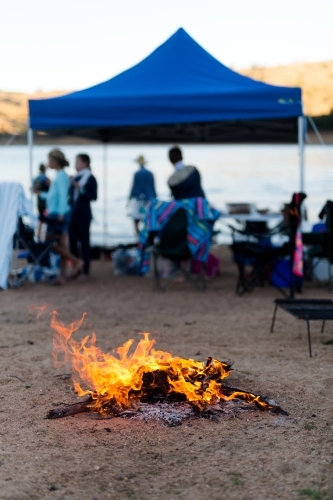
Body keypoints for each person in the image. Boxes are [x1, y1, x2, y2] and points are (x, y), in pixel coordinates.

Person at [33, 149, 84, 285]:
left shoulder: (61, 176)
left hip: (58, 215)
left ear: (54, 161)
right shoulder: (59, 175)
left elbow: (62, 196)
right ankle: (62, 275)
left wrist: (61, 213)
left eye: (49, 159)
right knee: (61, 244)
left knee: (47, 242)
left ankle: (76, 261)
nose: (47, 162)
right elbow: (53, 196)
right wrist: (41, 194)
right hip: (56, 212)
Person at [68, 153, 98, 280]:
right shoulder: (76, 177)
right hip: (72, 213)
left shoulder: (90, 178)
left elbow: (94, 196)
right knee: (72, 242)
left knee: (84, 242)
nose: (76, 165)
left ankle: (85, 270)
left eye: (78, 162)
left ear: (85, 163)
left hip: (84, 214)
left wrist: (81, 189)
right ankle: (76, 267)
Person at [128, 155, 156, 235]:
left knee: (136, 220)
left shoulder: (136, 174)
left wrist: (129, 199)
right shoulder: (150, 173)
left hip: (138, 199)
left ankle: (138, 237)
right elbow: (153, 188)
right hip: (149, 199)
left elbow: (134, 188)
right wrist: (154, 198)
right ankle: (147, 238)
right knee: (147, 220)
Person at [32, 163, 50, 240]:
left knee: (40, 219)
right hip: (45, 202)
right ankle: (45, 236)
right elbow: (50, 191)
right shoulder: (46, 179)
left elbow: (34, 189)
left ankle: (38, 235)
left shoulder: (35, 179)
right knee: (46, 219)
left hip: (39, 202)